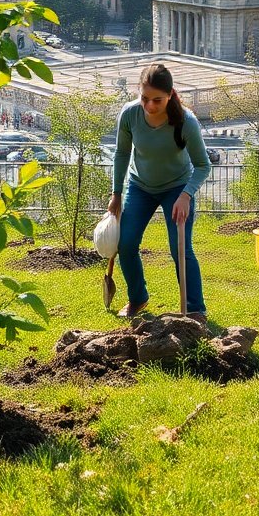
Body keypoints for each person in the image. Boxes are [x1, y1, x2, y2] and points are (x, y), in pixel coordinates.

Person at [107, 63, 213, 324]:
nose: (150, 106)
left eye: (157, 100)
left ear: (170, 95)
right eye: (145, 98)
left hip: (177, 188)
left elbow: (202, 165)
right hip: (139, 185)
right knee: (126, 243)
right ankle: (137, 298)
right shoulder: (130, 114)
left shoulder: (185, 121)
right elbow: (121, 153)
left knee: (180, 249)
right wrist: (116, 193)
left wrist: (186, 195)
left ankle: (195, 309)